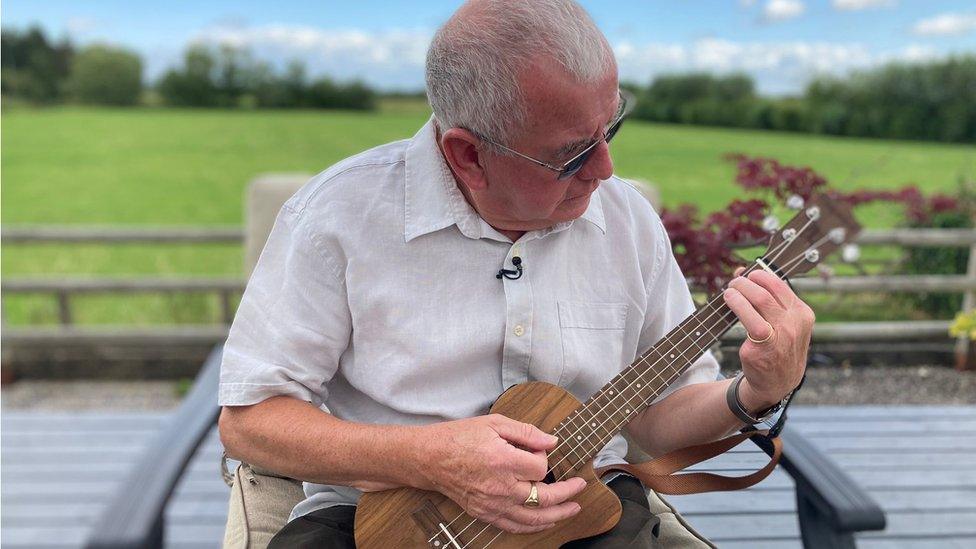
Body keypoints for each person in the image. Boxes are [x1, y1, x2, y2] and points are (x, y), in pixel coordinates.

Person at [217, 0, 815, 546]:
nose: (606, 170)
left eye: (612, 128)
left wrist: (755, 392)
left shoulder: (627, 219)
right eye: (573, 153)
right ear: (468, 155)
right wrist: (429, 457)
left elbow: (659, 423)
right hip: (378, 521)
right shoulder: (337, 216)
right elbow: (250, 423)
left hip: (582, 517)